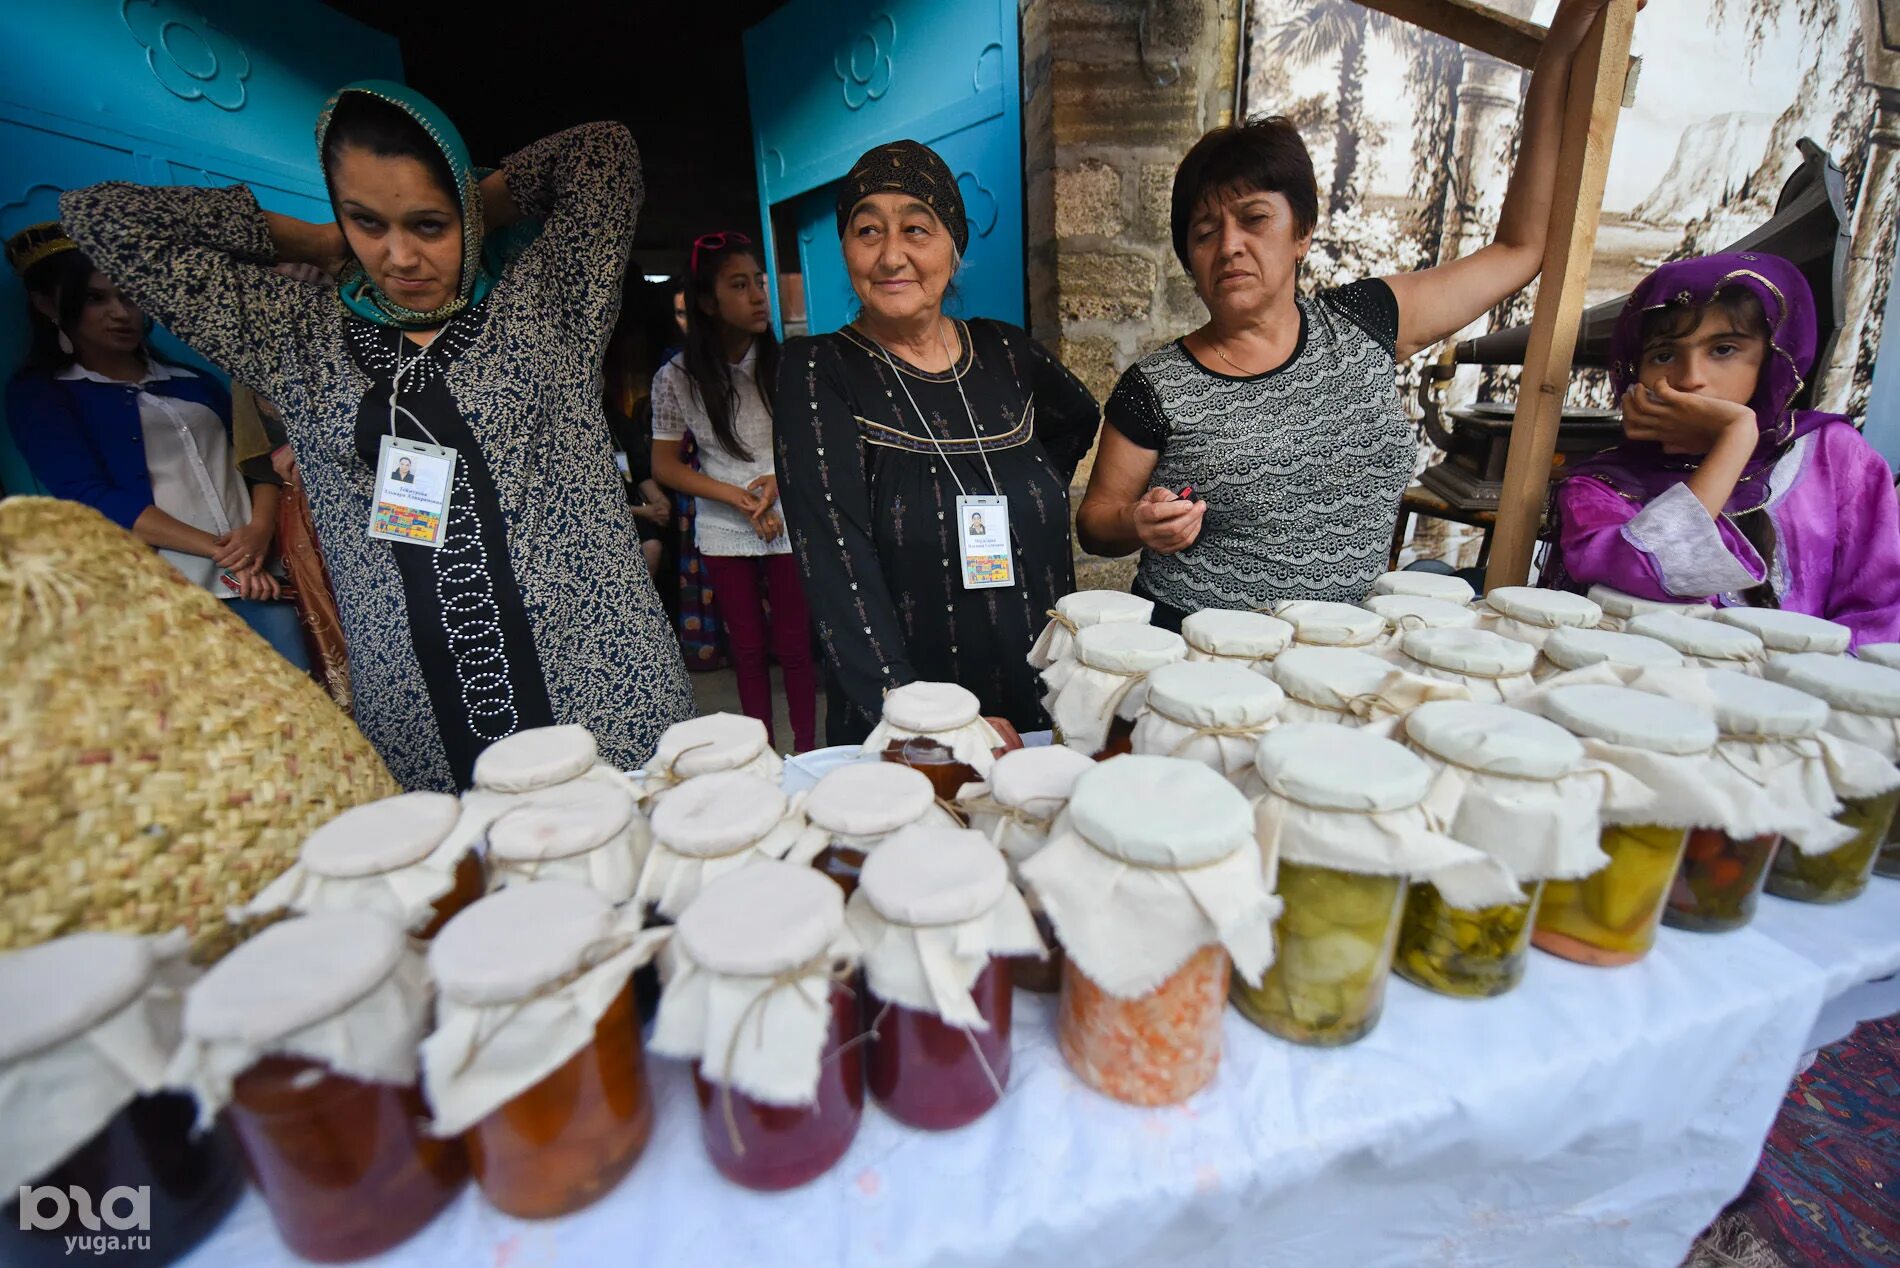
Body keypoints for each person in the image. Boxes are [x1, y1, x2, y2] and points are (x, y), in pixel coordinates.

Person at [57, 81, 693, 790]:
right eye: (367, 222)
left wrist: (473, 208)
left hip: (600, 680)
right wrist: (314, 238)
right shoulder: (292, 334)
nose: (400, 257)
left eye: (428, 225)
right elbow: (101, 217)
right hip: (419, 713)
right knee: (460, 861)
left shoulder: (550, 303)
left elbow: (602, 153)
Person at [1076, 0, 1632, 631]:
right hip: (1203, 649)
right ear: (1190, 261)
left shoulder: (1364, 322)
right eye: (1205, 233)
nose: (1229, 245)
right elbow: (1096, 523)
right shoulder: (1157, 387)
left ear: (1302, 232)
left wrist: (1554, 59)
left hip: (1345, 648)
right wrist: (1138, 522)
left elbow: (1519, 251)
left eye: (1255, 219)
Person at [775, 140, 1101, 744]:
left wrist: (1024, 496)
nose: (891, 255)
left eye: (916, 229)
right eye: (867, 230)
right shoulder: (821, 370)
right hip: (914, 712)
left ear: (954, 246)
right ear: (845, 249)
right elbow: (836, 564)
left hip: (1043, 692)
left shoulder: (1006, 351)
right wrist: (921, 721)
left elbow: (1077, 416)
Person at [1543, 252, 1900, 645]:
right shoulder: (1598, 489)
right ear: (1634, 372)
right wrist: (1735, 439)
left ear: (1772, 357)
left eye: (1724, 349)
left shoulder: (1833, 454)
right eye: (1664, 355)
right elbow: (1651, 571)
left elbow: (1880, 612)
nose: (1691, 378)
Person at [5, 223, 310, 672]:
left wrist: (258, 534)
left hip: (261, 578)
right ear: (47, 304)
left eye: (129, 296)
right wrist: (223, 552)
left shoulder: (195, 381)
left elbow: (258, 461)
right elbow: (89, 496)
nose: (120, 313)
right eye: (95, 299)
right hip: (161, 591)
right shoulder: (45, 395)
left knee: (300, 701)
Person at [652, 232, 816, 751]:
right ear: (707, 301)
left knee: (795, 646)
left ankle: (808, 752)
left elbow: (812, 445)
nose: (758, 297)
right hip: (724, 522)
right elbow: (664, 465)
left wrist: (778, 483)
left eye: (759, 283)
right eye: (740, 286)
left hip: (788, 513)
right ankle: (758, 755)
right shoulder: (676, 378)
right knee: (746, 648)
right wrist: (737, 498)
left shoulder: (789, 365)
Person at [231, 379, 355, 709]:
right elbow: (262, 467)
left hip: (376, 488)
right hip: (307, 512)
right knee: (336, 624)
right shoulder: (255, 362)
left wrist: (316, 441)